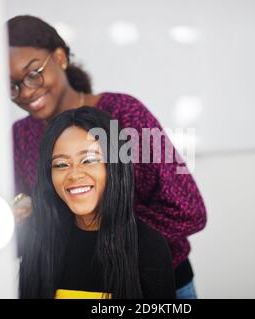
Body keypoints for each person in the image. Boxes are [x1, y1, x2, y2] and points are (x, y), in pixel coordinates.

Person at [8, 15, 206, 298]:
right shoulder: (20, 136)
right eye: (12, 85)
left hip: (154, 283)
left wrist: (111, 229)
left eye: (32, 73)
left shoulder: (125, 114)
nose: (25, 91)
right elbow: (33, 223)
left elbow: (189, 211)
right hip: (72, 285)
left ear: (60, 58)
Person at [19, 106, 175, 299]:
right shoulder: (38, 243)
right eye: (61, 164)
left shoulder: (149, 246)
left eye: (89, 160)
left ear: (114, 166)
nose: (74, 174)